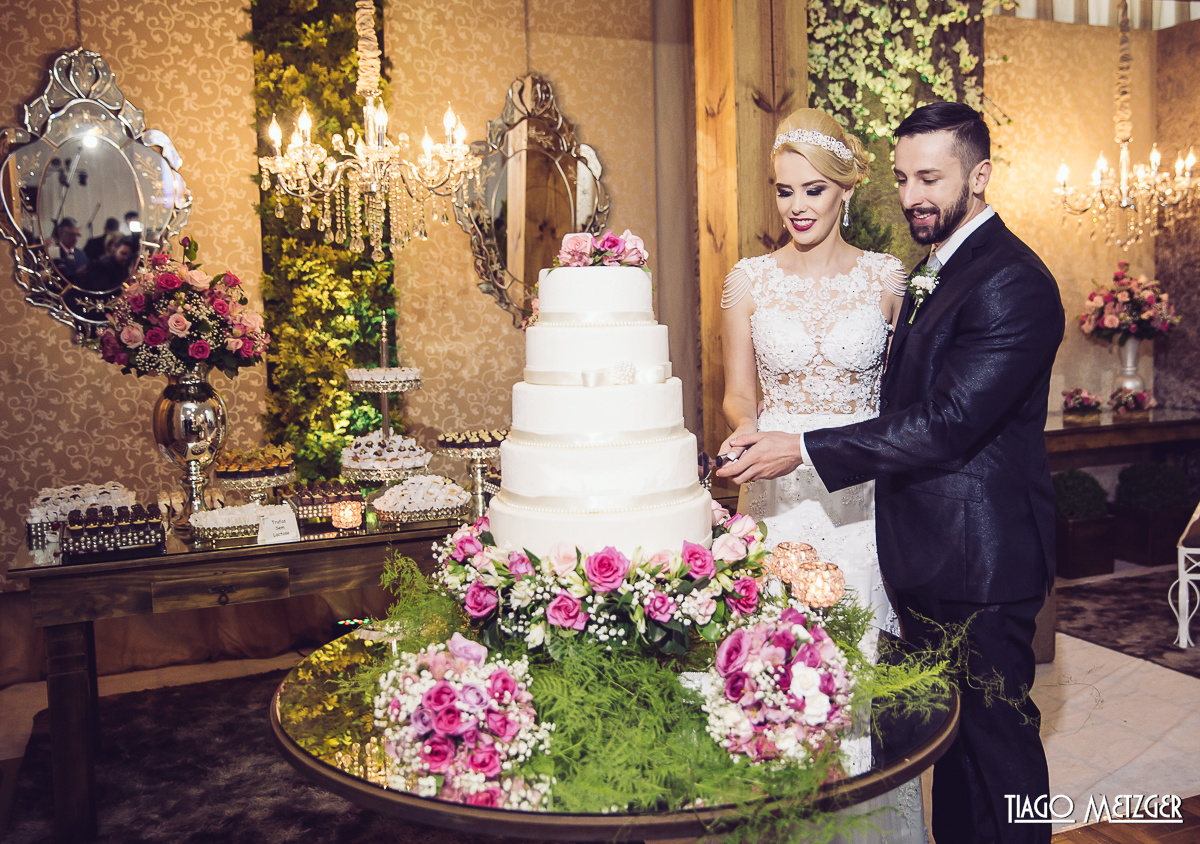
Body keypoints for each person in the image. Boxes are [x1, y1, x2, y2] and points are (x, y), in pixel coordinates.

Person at [719, 101, 1063, 844]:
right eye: (904, 178)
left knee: (999, 753)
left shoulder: (1012, 281)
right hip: (922, 549)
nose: (912, 196)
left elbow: (947, 423)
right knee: (952, 750)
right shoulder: (936, 268)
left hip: (983, 562)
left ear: (981, 177)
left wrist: (805, 450)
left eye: (930, 178)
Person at [717, 107, 923, 842]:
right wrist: (747, 426)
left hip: (860, 500)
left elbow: (907, 397)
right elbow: (737, 390)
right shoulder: (748, 280)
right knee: (768, 668)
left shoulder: (887, 278)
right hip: (775, 496)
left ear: (844, 191)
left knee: (852, 667)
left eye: (812, 190)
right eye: (783, 191)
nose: (797, 207)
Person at [49, 217, 89, 282]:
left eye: (77, 235)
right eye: (71, 235)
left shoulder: (81, 254)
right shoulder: (52, 252)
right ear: (60, 233)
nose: (75, 239)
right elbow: (53, 276)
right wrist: (75, 274)